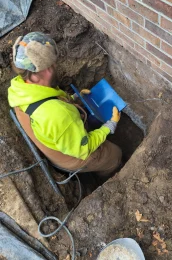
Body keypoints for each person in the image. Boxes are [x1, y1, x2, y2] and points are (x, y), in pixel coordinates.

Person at [8, 32, 122, 177]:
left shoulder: (20, 90)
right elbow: (84, 148)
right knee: (115, 155)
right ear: (47, 69)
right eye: (53, 64)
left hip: (61, 138)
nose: (55, 65)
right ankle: (109, 174)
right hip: (76, 155)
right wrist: (108, 127)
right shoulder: (56, 114)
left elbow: (50, 101)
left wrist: (75, 97)